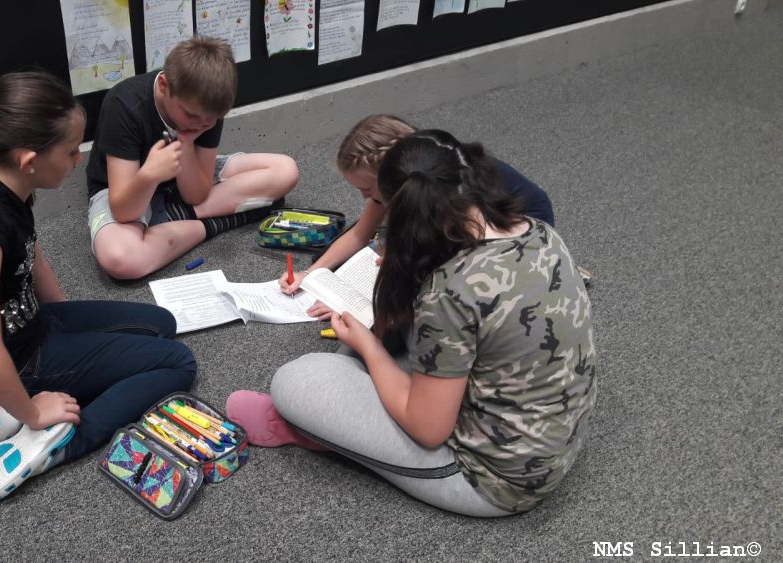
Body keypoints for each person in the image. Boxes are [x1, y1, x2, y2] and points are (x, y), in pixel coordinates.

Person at [228, 129, 597, 516]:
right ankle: (339, 425)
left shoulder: (450, 291)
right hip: (552, 443)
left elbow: (428, 429)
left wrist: (370, 348)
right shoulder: (539, 231)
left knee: (298, 378)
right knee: (379, 349)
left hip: (491, 479)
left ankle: (322, 435)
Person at [0, 72, 196, 502]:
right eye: (70, 151)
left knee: (162, 324)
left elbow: (30, 257)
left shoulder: (4, 184)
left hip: (34, 328)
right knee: (178, 363)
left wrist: (76, 336)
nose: (78, 159)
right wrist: (33, 412)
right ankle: (60, 440)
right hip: (18, 360)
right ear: (29, 160)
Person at [280, 115, 559, 320]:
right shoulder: (407, 181)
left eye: (367, 189)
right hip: (468, 226)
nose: (365, 197)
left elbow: (436, 258)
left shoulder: (444, 191)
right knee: (376, 252)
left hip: (521, 227)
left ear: (394, 177)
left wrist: (355, 304)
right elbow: (359, 233)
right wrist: (311, 274)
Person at [86, 36, 299, 280]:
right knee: (120, 259)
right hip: (130, 190)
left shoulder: (207, 109)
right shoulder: (124, 104)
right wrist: (150, 175)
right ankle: (214, 222)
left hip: (184, 176)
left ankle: (174, 217)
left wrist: (186, 144)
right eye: (191, 116)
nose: (200, 125)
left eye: (209, 122)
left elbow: (196, 195)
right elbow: (124, 212)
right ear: (164, 85)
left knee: (286, 170)